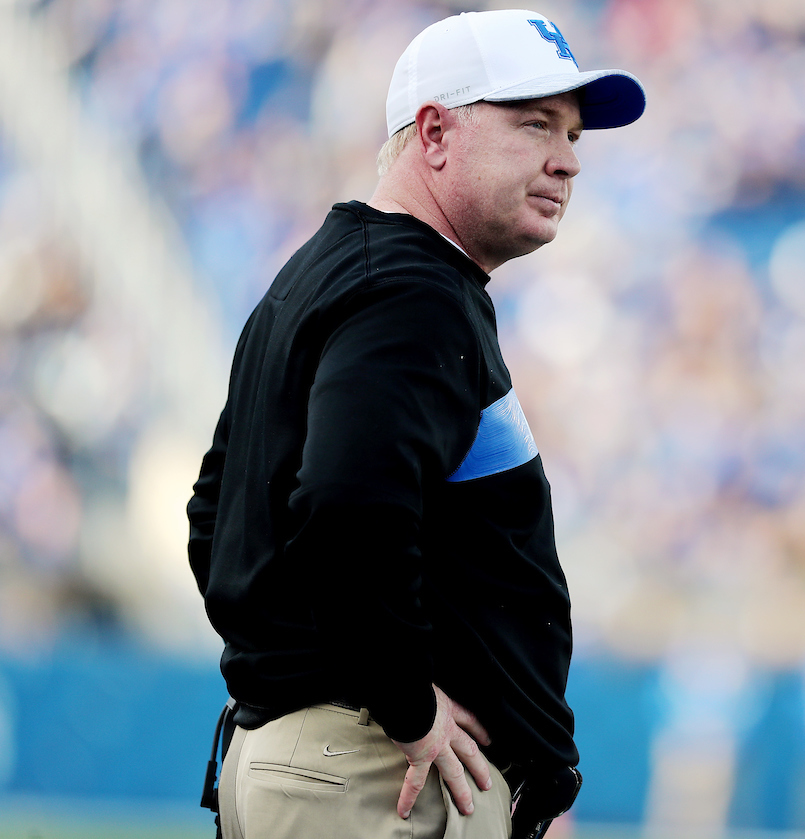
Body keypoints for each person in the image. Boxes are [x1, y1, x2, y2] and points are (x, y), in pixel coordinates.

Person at [185, 10, 645, 839]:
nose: (568, 159)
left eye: (574, 134)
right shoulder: (412, 290)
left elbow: (214, 517)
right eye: (534, 122)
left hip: (323, 760)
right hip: (371, 774)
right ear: (434, 132)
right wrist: (399, 704)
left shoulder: (328, 273)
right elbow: (346, 503)